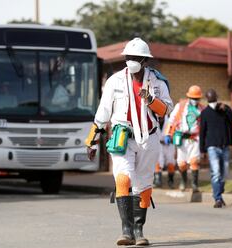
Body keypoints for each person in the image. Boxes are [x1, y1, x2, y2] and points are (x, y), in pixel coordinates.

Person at [85, 37, 173, 246]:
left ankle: (139, 229)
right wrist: (92, 140)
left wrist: (150, 100)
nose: (131, 60)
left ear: (145, 60)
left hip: (149, 137)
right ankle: (126, 231)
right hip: (122, 137)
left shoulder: (157, 82)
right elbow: (103, 112)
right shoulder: (115, 81)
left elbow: (167, 109)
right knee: (123, 180)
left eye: (135, 57)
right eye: (128, 57)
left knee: (143, 185)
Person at [199, 89, 232, 208]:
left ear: (217, 97)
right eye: (209, 96)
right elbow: (202, 132)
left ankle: (219, 191)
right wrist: (202, 150)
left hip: (224, 146)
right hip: (212, 147)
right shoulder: (205, 113)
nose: (212, 98)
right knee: (216, 173)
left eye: (213, 96)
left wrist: (227, 110)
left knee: (225, 173)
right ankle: (217, 198)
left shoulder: (223, 109)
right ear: (207, 98)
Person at [165, 85, 204, 192]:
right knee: (181, 163)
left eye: (197, 99)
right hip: (182, 139)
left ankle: (195, 184)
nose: (195, 100)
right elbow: (171, 120)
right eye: (193, 98)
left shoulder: (202, 109)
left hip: (195, 138)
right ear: (189, 97)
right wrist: (168, 134)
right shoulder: (181, 106)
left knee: (194, 162)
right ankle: (183, 181)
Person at [154, 114, 176, 189]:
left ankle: (171, 181)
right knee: (157, 161)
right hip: (158, 144)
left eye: (161, 117)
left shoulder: (169, 120)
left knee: (170, 162)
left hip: (169, 145)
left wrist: (171, 137)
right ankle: (158, 180)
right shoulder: (154, 120)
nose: (160, 118)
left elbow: (175, 130)